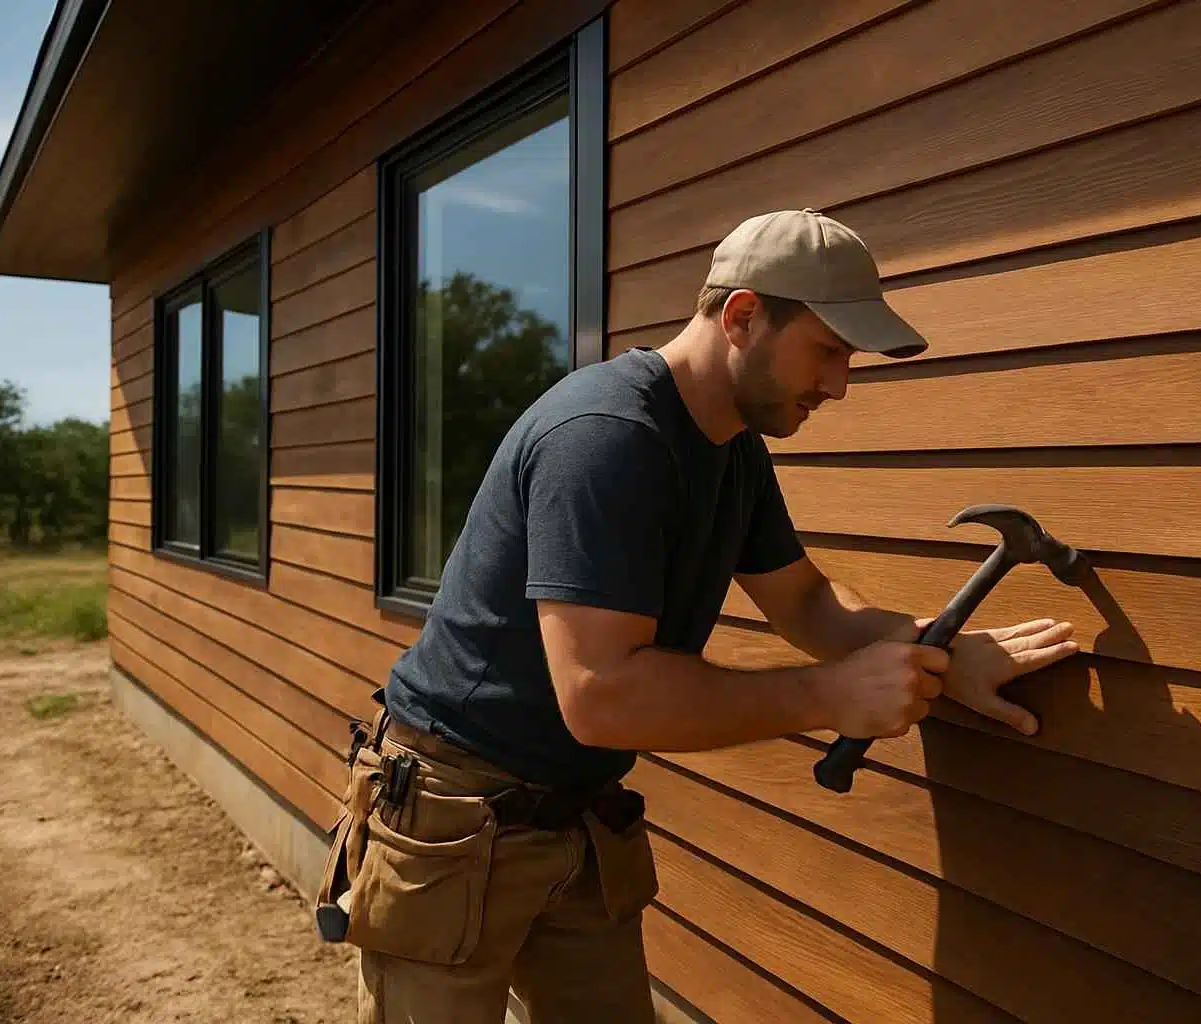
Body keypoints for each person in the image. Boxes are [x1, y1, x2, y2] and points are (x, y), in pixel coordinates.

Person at [329, 208, 1081, 1023]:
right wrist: (830, 696)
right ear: (743, 317)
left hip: (577, 818)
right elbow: (602, 696)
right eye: (827, 351)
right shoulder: (604, 438)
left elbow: (808, 603)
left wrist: (938, 649)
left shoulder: (732, 450)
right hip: (452, 815)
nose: (839, 385)